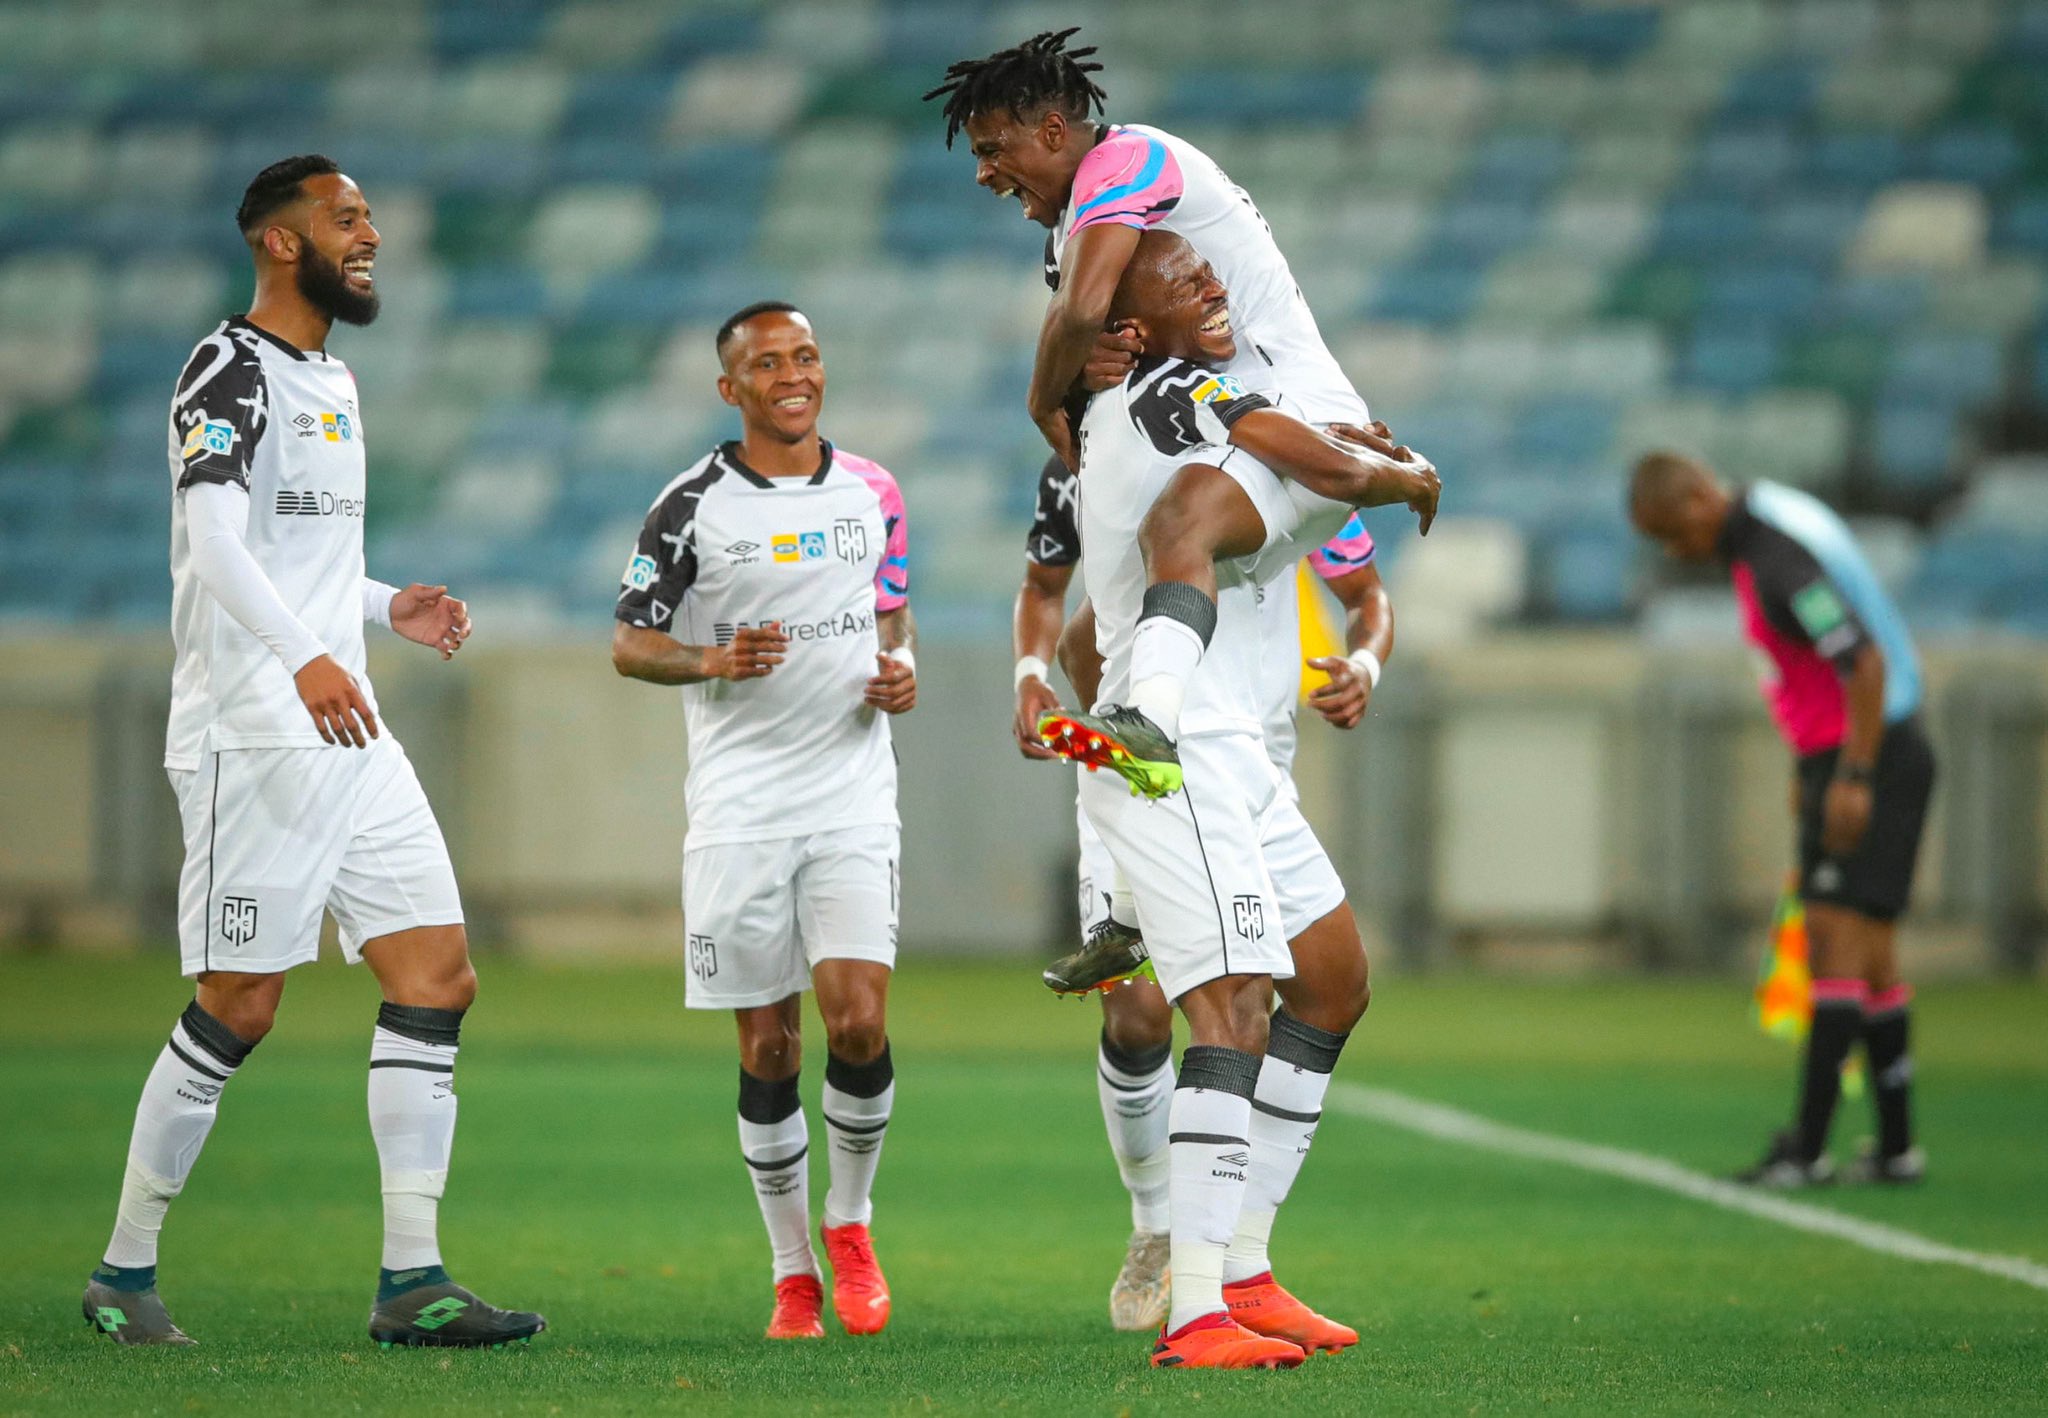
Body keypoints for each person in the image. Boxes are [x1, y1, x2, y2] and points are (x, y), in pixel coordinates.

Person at [82, 155, 545, 1349]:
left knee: (437, 972)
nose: (369, 234)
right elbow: (216, 544)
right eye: (346, 219)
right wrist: (303, 656)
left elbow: (302, 558)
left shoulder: (331, 376)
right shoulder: (226, 366)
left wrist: (382, 607)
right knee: (241, 1000)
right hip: (255, 729)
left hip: (347, 721)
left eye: (369, 216)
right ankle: (123, 1271)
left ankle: (412, 1280)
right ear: (280, 242)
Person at [928, 27, 1431, 789]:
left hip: (1286, 416)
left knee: (1179, 527)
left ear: (1054, 131)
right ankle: (1143, 784)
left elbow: (1081, 310)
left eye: (993, 149)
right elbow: (1096, 334)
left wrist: (1043, 400)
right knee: (1093, 640)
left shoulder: (1127, 161)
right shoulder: (1072, 229)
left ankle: (1156, 743)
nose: (983, 172)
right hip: (1211, 431)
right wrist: (1082, 368)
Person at [1013, 452, 1393, 1335]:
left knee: (1329, 985)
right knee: (1146, 1014)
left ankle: (1236, 1265)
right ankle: (1163, 1235)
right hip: (1158, 770)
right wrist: (1073, 700)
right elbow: (1073, 630)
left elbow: (1367, 593)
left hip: (1257, 772)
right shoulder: (1104, 470)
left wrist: (1364, 663)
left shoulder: (1291, 473)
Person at [610, 301, 916, 1340]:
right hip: (740, 809)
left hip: (850, 791)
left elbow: (890, 612)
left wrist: (900, 667)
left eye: (806, 356)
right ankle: (792, 1274)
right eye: (769, 363)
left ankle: (849, 1223)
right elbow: (629, 641)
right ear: (730, 386)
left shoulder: (872, 490)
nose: (794, 376)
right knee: (770, 1044)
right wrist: (711, 658)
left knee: (858, 1019)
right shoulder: (690, 505)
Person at [1630, 452, 1933, 1188]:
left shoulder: (1776, 561)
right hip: (1859, 751)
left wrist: (1852, 776)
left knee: (1831, 943)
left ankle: (1808, 1150)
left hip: (1868, 753)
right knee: (1872, 953)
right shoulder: (1762, 535)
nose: (1678, 551)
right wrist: (1812, 767)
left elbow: (1862, 661)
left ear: (1700, 497)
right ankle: (1896, 1150)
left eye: (1674, 532)